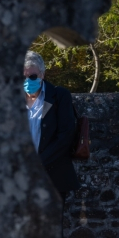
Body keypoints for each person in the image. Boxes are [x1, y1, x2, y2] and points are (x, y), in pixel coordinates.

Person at [23, 50, 80, 195]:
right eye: (22, 76)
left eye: (33, 76)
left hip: (52, 175)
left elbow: (66, 135)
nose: (27, 81)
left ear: (42, 74)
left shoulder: (59, 96)